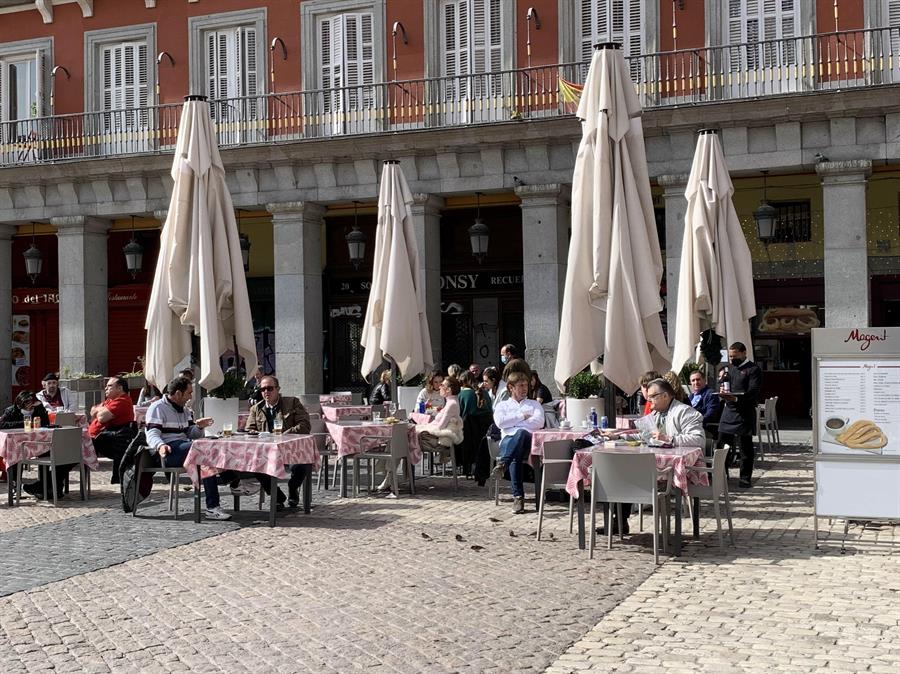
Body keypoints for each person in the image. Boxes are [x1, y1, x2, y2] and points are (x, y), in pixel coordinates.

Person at [604, 378, 705, 536]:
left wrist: (670, 439)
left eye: (652, 396)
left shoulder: (685, 412)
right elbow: (643, 436)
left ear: (665, 396)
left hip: (679, 472)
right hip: (653, 468)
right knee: (621, 473)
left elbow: (698, 439)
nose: (648, 400)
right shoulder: (656, 414)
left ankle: (669, 534)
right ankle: (619, 522)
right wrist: (618, 438)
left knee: (629, 473)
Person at [145, 376, 231, 520]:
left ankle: (214, 505)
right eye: (189, 393)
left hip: (186, 447)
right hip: (168, 452)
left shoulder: (185, 410)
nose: (191, 397)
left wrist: (199, 426)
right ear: (178, 393)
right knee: (203, 449)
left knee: (211, 448)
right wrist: (160, 446)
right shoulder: (158, 408)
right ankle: (228, 488)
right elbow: (152, 433)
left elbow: (191, 433)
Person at [245, 375, 312, 508]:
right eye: (262, 389)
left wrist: (285, 434)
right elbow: (249, 430)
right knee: (255, 466)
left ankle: (293, 488)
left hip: (291, 450)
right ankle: (277, 496)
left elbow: (305, 425)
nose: (266, 392)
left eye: (269, 388)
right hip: (267, 452)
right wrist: (253, 433)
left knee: (302, 464)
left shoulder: (292, 403)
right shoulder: (256, 409)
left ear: (278, 389)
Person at [490, 372, 544, 514]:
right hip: (508, 441)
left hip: (529, 441)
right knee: (516, 454)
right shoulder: (502, 405)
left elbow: (539, 423)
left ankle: (503, 466)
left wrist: (513, 422)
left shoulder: (534, 404)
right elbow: (501, 422)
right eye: (520, 385)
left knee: (520, 434)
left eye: (526, 385)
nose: (524, 388)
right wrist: (523, 417)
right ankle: (518, 498)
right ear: (511, 387)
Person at [717, 342, 763, 488]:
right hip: (728, 411)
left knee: (745, 447)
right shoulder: (729, 369)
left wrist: (736, 398)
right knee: (722, 444)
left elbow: (753, 392)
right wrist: (722, 388)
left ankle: (745, 478)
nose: (732, 359)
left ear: (744, 353)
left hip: (745, 412)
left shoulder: (753, 369)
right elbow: (724, 384)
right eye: (730, 357)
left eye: (735, 356)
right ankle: (721, 475)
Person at [89, 376, 136, 484]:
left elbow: (101, 417)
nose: (106, 388)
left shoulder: (122, 400)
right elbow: (92, 411)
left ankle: (54, 479)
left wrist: (99, 410)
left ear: (119, 388)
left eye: (109, 386)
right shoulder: (110, 400)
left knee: (71, 452)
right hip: (96, 437)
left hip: (104, 439)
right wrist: (99, 410)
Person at [414, 377, 463, 469]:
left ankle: (393, 473)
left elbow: (440, 427)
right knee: (404, 436)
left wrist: (425, 427)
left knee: (405, 438)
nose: (439, 387)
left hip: (434, 439)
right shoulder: (450, 401)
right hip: (433, 435)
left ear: (448, 390)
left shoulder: (451, 404)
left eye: (442, 385)